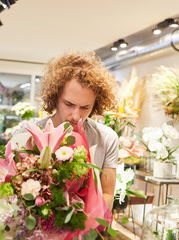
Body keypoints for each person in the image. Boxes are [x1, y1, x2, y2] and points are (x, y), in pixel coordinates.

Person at [37, 50, 119, 210]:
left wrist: (83, 224)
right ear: (55, 97)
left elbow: (107, 194)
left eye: (85, 107)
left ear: (96, 104)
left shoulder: (106, 138)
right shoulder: (30, 134)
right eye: (69, 104)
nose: (76, 116)